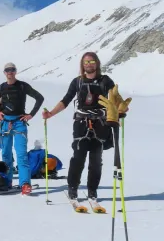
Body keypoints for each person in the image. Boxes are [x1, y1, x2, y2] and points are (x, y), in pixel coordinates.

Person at [42, 52, 116, 200]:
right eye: (86, 62)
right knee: (78, 157)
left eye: (92, 61)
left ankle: (92, 190)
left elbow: (115, 100)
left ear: (97, 63)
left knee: (96, 160)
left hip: (100, 124)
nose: (89, 64)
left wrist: (120, 109)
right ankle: (73, 187)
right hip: (81, 124)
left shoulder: (106, 81)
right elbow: (66, 100)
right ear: (82, 65)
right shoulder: (77, 82)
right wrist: (51, 113)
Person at [0, 62, 45, 195]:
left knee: (21, 154)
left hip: (19, 123)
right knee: (5, 154)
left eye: (12, 70)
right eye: (7, 70)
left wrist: (31, 114)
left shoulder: (22, 86)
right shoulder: (1, 87)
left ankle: (25, 184)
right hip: (5, 124)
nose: (10, 72)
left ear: (15, 71)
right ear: (4, 73)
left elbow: (39, 98)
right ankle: (7, 181)